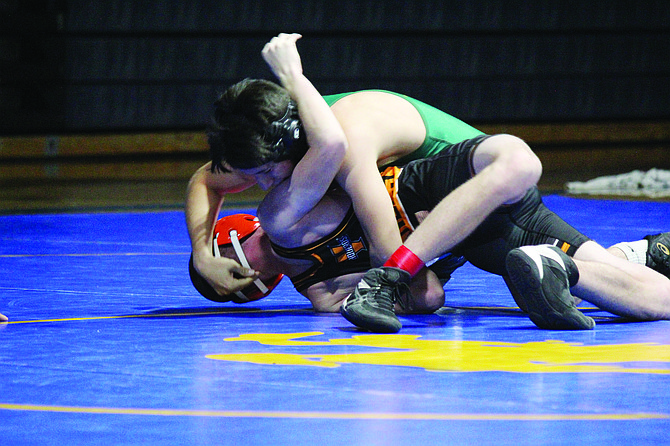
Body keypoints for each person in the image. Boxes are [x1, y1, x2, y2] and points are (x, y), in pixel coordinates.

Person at [189, 143, 670, 332]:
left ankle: (630, 254)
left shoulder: (283, 213)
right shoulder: (321, 291)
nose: (244, 279)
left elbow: (214, 173)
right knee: (657, 300)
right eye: (236, 293)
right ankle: (605, 261)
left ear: (237, 233)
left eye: (229, 265)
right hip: (463, 233)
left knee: (509, 159)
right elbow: (426, 296)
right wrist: (427, 256)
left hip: (431, 186)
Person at [186, 33, 486, 301]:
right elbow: (206, 180)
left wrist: (292, 76)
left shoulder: (344, 140)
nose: (264, 186)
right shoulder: (272, 145)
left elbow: (395, 266)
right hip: (461, 210)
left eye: (265, 173)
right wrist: (201, 255)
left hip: (478, 182)